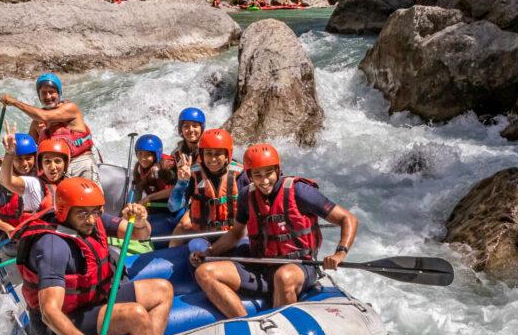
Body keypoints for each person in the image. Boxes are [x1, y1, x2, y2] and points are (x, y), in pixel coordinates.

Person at [191, 143, 358, 318]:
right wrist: (209, 252)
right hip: (261, 266)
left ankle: (282, 331)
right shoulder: (246, 195)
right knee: (204, 272)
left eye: (268, 173)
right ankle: (246, 323)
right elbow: (236, 234)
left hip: (299, 266)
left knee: (283, 276)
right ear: (249, 176)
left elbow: (348, 219)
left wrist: (340, 253)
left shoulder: (300, 191)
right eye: (257, 175)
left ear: (277, 170)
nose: (264, 181)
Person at [16, 178, 173, 335]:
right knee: (135, 314)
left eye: (96, 212)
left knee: (162, 290)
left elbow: (139, 234)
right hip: (60, 325)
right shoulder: (52, 247)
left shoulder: (93, 219)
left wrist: (140, 223)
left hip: (93, 301)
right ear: (65, 211)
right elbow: (49, 313)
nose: (91, 219)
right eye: (83, 214)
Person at [0, 72, 99, 182]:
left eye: (52, 92)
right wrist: (1, 162)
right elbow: (26, 150)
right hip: (52, 169)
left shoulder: (70, 108)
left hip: (80, 161)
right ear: (39, 96)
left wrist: (14, 102)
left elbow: (44, 116)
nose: (47, 96)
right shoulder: (37, 122)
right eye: (43, 93)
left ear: (59, 93)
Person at [168, 128, 244, 242]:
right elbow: (173, 207)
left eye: (218, 154)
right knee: (192, 240)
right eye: (208, 153)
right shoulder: (194, 174)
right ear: (202, 154)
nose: (213, 159)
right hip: (204, 234)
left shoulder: (240, 176)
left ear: (228, 154)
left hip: (232, 234)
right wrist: (182, 182)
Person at [0, 133, 38, 244]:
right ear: (11, 160)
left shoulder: (40, 175)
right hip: (9, 235)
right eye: (19, 159)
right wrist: (6, 227)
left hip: (35, 231)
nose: (24, 164)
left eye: (28, 158)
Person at [0, 125, 70, 214]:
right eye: (47, 162)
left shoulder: (70, 182)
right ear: (40, 165)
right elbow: (6, 181)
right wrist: (9, 153)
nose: (52, 167)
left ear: (66, 164)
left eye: (57, 161)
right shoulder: (33, 183)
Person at [132, 134, 176, 208]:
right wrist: (134, 205)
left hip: (171, 206)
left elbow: (176, 189)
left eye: (147, 155)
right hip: (154, 205)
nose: (143, 158)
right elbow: (138, 189)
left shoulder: (167, 167)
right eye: (140, 154)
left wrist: (149, 197)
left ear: (156, 155)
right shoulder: (139, 169)